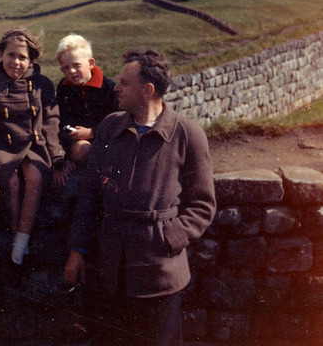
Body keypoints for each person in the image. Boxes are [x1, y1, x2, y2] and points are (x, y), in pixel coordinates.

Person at [64, 49, 216, 346]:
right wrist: (78, 250)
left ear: (147, 91)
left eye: (124, 82)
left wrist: (170, 237)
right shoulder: (109, 127)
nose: (115, 87)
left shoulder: (187, 134)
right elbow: (90, 195)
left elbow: (202, 204)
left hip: (160, 274)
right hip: (109, 271)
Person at [0, 27, 69, 266]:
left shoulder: (42, 85)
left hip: (35, 146)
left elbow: (51, 122)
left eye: (22, 57)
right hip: (3, 148)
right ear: (0, 55)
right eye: (11, 55)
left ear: (32, 60)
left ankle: (22, 241)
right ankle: (17, 236)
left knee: (35, 179)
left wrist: (57, 157)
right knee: (12, 183)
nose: (16, 62)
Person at [56, 33, 118, 167]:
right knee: (82, 150)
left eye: (76, 65)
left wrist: (92, 132)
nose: (72, 71)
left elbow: (117, 120)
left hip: (106, 138)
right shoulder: (64, 87)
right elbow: (63, 118)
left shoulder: (108, 87)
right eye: (66, 67)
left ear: (90, 63)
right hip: (77, 141)